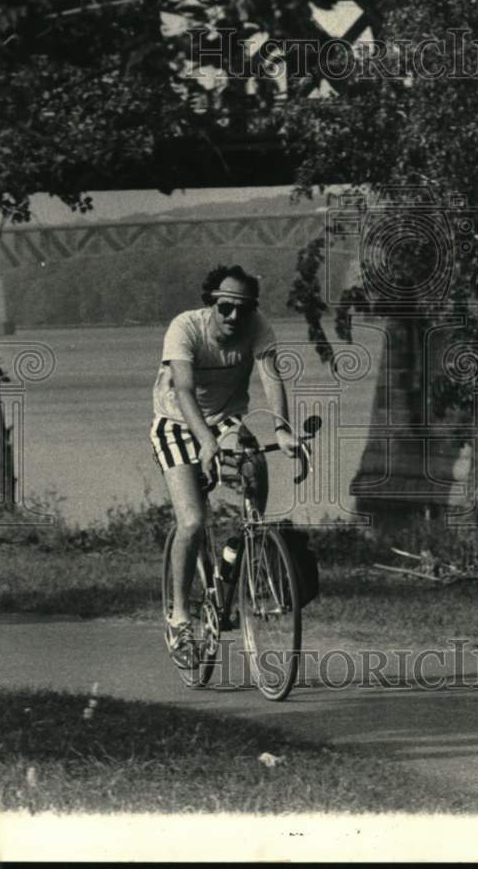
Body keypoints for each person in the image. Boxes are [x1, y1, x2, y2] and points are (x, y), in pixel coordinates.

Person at [150, 264, 298, 667]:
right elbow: (182, 390)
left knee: (255, 471)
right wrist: (205, 443)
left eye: (243, 309)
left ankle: (246, 547)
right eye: (226, 308)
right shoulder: (186, 328)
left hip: (228, 419)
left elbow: (271, 378)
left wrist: (283, 430)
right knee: (194, 521)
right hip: (178, 423)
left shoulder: (257, 326)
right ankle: (180, 615)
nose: (234, 317)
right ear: (211, 303)